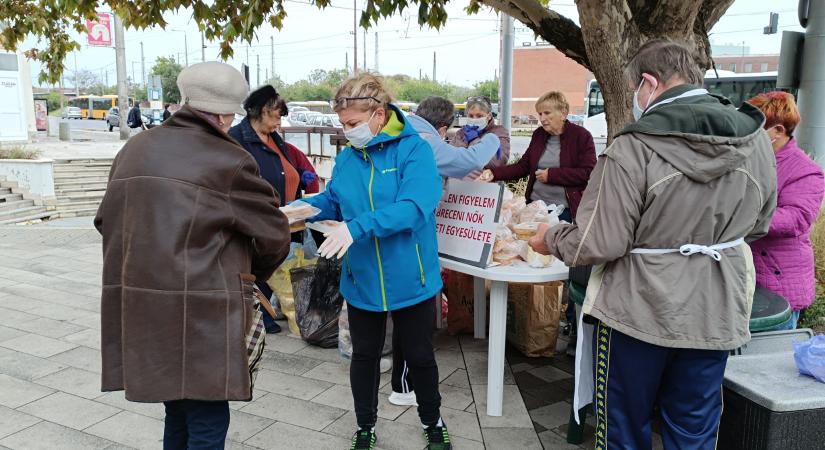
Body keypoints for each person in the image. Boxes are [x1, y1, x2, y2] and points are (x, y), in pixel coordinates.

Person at [529, 39, 776, 450]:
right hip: (715, 309)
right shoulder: (755, 142)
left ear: (649, 83)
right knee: (694, 429)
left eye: (634, 90)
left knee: (624, 429)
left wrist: (550, 237)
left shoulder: (634, 146)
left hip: (637, 312)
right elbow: (759, 224)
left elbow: (598, 241)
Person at [94, 61, 291, 449]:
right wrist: (253, 276)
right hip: (205, 307)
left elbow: (105, 220)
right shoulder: (228, 160)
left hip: (144, 303)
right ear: (222, 113)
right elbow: (274, 234)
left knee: (178, 410)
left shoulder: (135, 148)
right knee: (208, 416)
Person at [302, 73, 451, 450]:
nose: (347, 131)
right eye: (342, 124)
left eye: (352, 124)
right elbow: (334, 199)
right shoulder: (348, 158)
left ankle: (433, 422)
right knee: (364, 356)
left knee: (418, 356)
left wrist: (356, 228)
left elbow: (415, 207)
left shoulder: (414, 151)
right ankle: (365, 426)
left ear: (379, 114)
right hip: (363, 275)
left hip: (411, 276)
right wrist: (301, 208)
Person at [388, 96, 501, 407]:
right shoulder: (423, 138)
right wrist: (492, 138)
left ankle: (400, 379)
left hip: (394, 232)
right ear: (442, 127)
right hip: (411, 235)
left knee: (404, 310)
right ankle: (403, 385)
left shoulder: (400, 127)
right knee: (415, 314)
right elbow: (467, 161)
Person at [229, 85, 319, 334]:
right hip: (258, 217)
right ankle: (260, 312)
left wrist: (300, 177)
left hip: (287, 215)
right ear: (260, 111)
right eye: (276, 115)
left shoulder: (275, 139)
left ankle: (270, 308)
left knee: (279, 261)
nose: (280, 122)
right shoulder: (236, 139)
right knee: (260, 264)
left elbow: (283, 167)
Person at [748, 91, 824, 330]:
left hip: (779, 282)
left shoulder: (805, 170)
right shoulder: (751, 159)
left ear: (779, 131)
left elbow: (796, 218)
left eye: (756, 128)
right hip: (748, 277)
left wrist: (740, 218)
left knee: (770, 359)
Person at [479, 91, 596, 222]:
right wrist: (493, 173)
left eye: (547, 113)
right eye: (540, 114)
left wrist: (552, 175)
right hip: (534, 207)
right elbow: (523, 167)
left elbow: (588, 173)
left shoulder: (581, 136)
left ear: (563, 113)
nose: (542, 118)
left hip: (564, 211)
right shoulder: (539, 134)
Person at [450, 96, 510, 176]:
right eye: (471, 116)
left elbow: (498, 162)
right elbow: (451, 157)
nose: (474, 119)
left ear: (488, 116)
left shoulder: (499, 132)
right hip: (459, 182)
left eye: (479, 116)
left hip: (486, 184)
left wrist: (474, 140)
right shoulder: (461, 132)